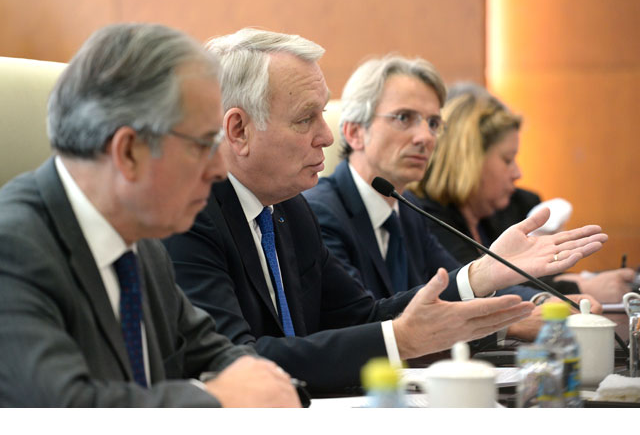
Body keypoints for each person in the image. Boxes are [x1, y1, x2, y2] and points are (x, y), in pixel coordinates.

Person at [163, 28, 604, 394]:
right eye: (305, 119)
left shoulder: (288, 210)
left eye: (322, 115)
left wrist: (482, 275)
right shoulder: (188, 215)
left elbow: (361, 317)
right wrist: (399, 339)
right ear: (237, 130)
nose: (324, 135)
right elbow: (236, 361)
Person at [0, 23, 301, 407]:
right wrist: (215, 401)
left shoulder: (142, 245)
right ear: (128, 152)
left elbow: (213, 352)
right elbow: (63, 406)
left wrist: (258, 381)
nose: (218, 170)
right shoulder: (12, 247)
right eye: (202, 145)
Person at [302, 55, 600, 344]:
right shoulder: (319, 213)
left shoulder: (409, 210)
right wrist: (513, 321)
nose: (425, 137)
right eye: (404, 118)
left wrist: (541, 301)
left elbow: (456, 285)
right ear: (355, 132)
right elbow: (364, 322)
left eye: (432, 123)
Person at [409, 83, 634, 304]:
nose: (518, 172)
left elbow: (532, 278)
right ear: (469, 162)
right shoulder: (423, 217)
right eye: (508, 159)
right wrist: (579, 287)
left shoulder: (506, 209)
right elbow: (477, 288)